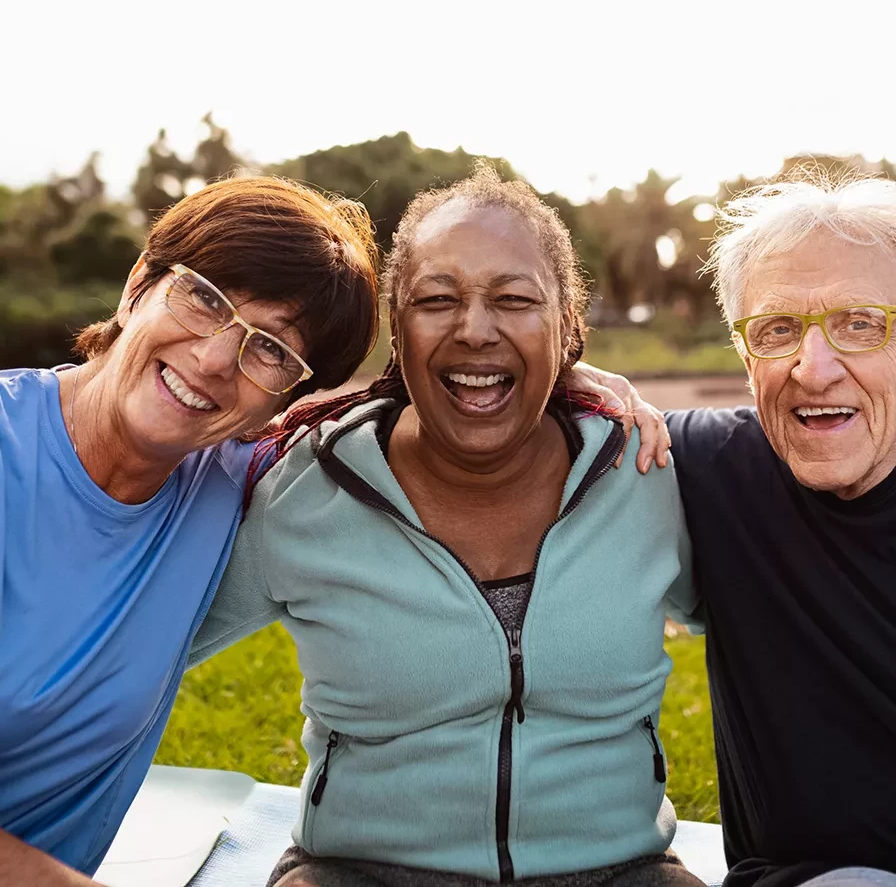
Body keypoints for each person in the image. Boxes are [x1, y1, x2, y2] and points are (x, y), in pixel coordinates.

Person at [193, 168, 702, 887]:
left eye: (515, 300)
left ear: (568, 328)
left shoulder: (650, 473)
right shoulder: (303, 489)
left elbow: (773, 630)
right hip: (356, 870)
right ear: (398, 332)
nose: (474, 328)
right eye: (436, 301)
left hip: (621, 870)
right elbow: (143, 650)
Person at [582, 176, 896, 887]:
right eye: (777, 329)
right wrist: (560, 374)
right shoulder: (699, 470)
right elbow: (512, 412)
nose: (813, 368)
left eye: (861, 323)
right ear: (745, 356)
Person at [0, 176, 381, 886]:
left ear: (282, 402)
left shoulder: (242, 478)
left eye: (271, 350)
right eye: (205, 298)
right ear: (137, 287)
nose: (216, 359)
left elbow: (433, 421)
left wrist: (579, 379)